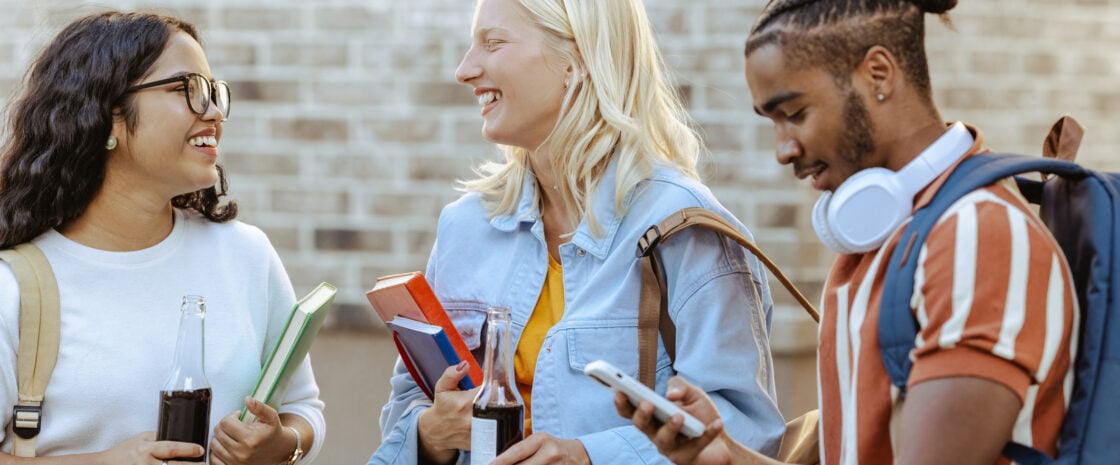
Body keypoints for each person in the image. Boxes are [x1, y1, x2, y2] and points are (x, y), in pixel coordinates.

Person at [616, 1, 1079, 464]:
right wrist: (725, 457)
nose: (783, 149)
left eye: (795, 113)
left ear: (878, 74)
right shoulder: (881, 237)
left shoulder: (978, 239)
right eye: (773, 121)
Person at [369, 0, 787, 463]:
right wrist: (430, 433)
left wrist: (589, 456)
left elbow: (745, 430)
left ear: (577, 60)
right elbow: (405, 412)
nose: (464, 70)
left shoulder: (683, 225)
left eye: (493, 43)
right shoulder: (464, 227)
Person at [0, 11, 325, 465]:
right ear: (108, 115)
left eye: (213, 93)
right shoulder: (15, 287)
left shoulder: (245, 255)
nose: (212, 112)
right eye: (184, 89)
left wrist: (282, 445)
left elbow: (301, 410)